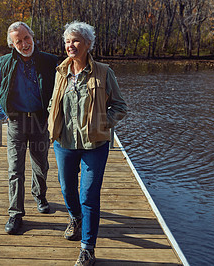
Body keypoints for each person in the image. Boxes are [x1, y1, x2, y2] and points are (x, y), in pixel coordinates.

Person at [48, 21, 127, 265]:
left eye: (76, 41)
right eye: (67, 41)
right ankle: (75, 218)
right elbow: (53, 102)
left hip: (95, 145)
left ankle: (87, 248)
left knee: (89, 195)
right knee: (66, 189)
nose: (70, 45)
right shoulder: (60, 72)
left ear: (88, 44)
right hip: (64, 142)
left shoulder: (104, 72)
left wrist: (103, 124)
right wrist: (52, 117)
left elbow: (120, 107)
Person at [0, 22, 58, 235]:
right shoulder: (5, 63)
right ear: (12, 44)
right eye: (18, 41)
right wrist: (5, 116)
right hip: (16, 122)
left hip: (39, 120)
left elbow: (60, 91)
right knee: (15, 168)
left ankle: (40, 196)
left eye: (26, 38)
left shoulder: (50, 62)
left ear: (32, 36)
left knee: (41, 163)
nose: (24, 44)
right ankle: (15, 213)